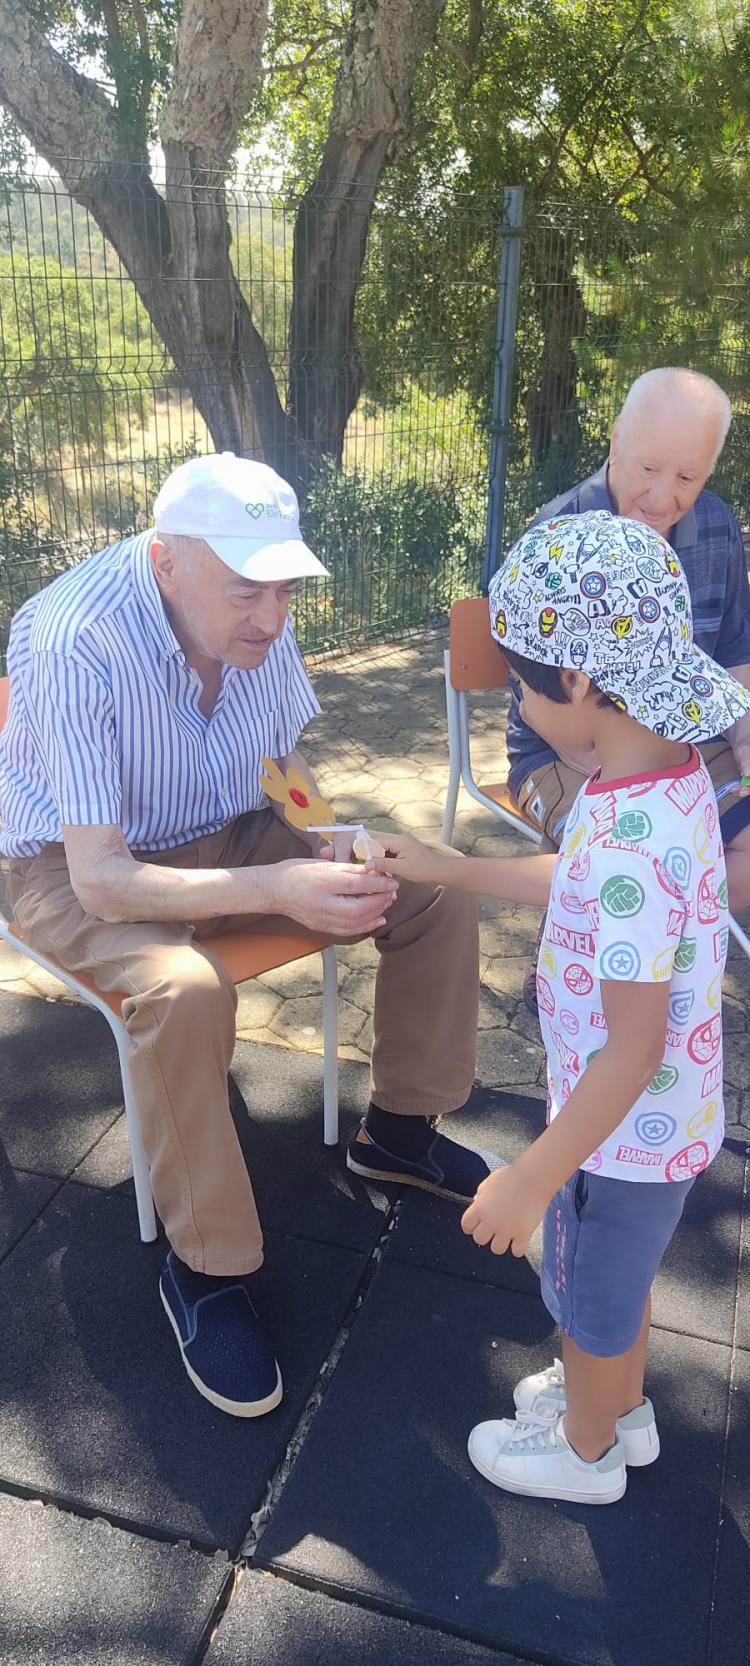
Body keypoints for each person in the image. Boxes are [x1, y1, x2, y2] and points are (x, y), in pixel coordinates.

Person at [0, 451, 486, 1420]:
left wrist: (330, 838)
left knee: (424, 883)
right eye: (246, 588)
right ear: (166, 559)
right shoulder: (70, 637)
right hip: (71, 866)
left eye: (284, 586)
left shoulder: (258, 622)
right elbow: (101, 881)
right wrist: (278, 882)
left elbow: (280, 759)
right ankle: (206, 1268)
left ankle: (397, 1132)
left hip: (222, 829)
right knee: (183, 989)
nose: (272, 614)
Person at [375, 508, 750, 1504]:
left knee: (589, 1292)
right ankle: (618, 1412)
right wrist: (451, 866)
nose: (518, 709)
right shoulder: (659, 780)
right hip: (661, 1120)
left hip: (615, 1129)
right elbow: (578, 881)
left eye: (521, 689)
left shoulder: (629, 832)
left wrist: (534, 1177)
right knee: (616, 1284)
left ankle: (585, 1454)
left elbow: (631, 1048)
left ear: (578, 683)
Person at [506, 368, 750, 1008]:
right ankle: (583, 949)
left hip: (683, 742)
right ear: (615, 440)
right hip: (561, 750)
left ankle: (657, 937)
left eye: (688, 477)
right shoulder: (559, 533)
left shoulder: (718, 529)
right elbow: (545, 705)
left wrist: (744, 737)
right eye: (649, 468)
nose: (665, 498)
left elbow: (734, 652)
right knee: (624, 850)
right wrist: (634, 786)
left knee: (723, 849)